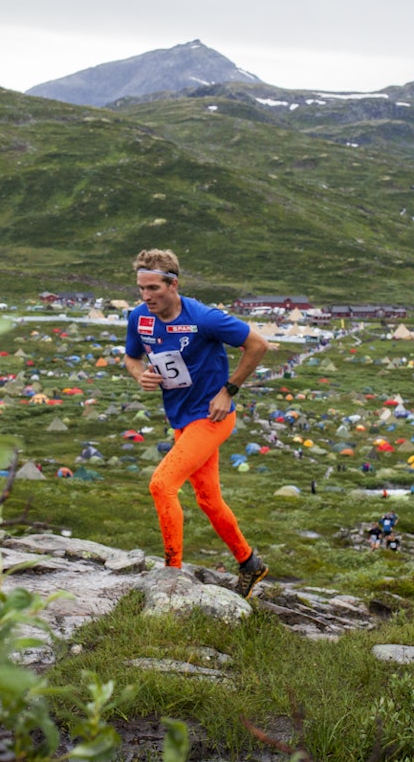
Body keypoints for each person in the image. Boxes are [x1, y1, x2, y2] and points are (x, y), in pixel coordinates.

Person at [124, 249, 270, 598]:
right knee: (208, 500)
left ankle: (171, 573)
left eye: (153, 288)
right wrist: (139, 375)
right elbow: (131, 357)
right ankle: (250, 563)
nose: (146, 297)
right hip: (182, 420)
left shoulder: (204, 318)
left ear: (173, 285)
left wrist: (228, 390)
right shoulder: (139, 318)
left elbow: (258, 344)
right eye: (141, 289)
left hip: (213, 416)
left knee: (162, 484)